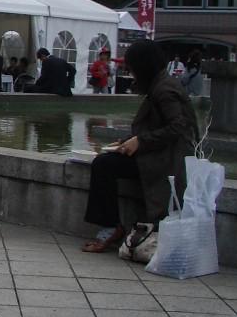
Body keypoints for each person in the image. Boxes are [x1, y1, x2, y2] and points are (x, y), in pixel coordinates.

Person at [81, 39, 198, 252]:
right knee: (105, 162)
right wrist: (128, 141)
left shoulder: (164, 90)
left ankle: (110, 227)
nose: (131, 74)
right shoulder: (161, 84)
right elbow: (157, 125)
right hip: (157, 152)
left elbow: (179, 127)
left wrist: (140, 141)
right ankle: (111, 226)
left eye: (132, 69)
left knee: (103, 165)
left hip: (167, 159)